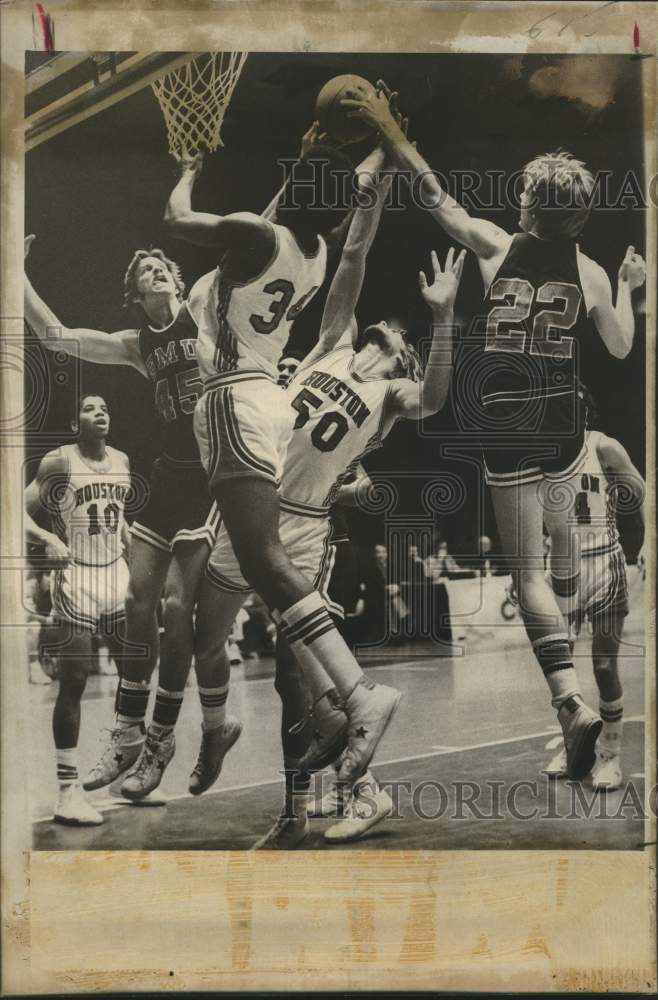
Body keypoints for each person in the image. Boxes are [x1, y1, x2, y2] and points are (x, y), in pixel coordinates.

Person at [343, 82, 647, 780]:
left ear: (529, 205)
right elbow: (625, 350)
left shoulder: (497, 245)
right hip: (565, 417)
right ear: (578, 217)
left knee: (527, 571)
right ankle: (573, 587)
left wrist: (391, 129)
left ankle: (569, 702)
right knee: (562, 532)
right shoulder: (592, 272)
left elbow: (435, 198)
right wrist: (635, 288)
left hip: (508, 418)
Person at [194, 187, 464, 847]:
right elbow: (352, 257)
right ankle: (303, 789)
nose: (389, 332)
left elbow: (433, 396)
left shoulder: (391, 393)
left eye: (403, 338)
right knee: (214, 633)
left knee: (301, 677)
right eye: (393, 328)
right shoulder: (331, 347)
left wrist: (445, 315)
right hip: (252, 503)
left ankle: (348, 795)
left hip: (305, 528)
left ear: (403, 356)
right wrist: (366, 197)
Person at [164, 128, 405, 793]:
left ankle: (355, 694)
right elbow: (325, 211)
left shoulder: (256, 234)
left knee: (267, 565)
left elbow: (176, 219)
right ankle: (330, 706)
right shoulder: (314, 249)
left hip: (233, 400)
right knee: (259, 576)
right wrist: (384, 146)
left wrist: (186, 170)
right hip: (270, 404)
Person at [24, 236, 239, 796]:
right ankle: (127, 734)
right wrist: (13, 273)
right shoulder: (136, 344)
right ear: (136, 292)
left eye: (161, 267)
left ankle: (161, 743)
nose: (156, 273)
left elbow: (249, 241)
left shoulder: (204, 313)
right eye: (145, 270)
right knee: (136, 601)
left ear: (175, 279)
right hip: (170, 473)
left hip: (213, 472)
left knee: (173, 605)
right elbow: (56, 337)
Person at [24, 394, 131, 825]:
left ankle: (131, 773)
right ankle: (67, 792)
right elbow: (15, 510)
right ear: (75, 423)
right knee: (75, 678)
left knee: (134, 678)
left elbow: (116, 514)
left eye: (105, 406)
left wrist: (126, 535)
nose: (100, 412)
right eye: (89, 408)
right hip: (77, 576)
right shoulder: (58, 462)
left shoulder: (123, 460)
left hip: (117, 574)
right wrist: (48, 539)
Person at [542, 389, 645, 789]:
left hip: (604, 561)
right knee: (562, 671)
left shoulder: (603, 446)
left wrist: (649, 540)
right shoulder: (541, 453)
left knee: (604, 666)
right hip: (560, 568)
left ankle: (610, 756)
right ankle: (574, 747)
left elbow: (643, 493)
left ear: (584, 406)